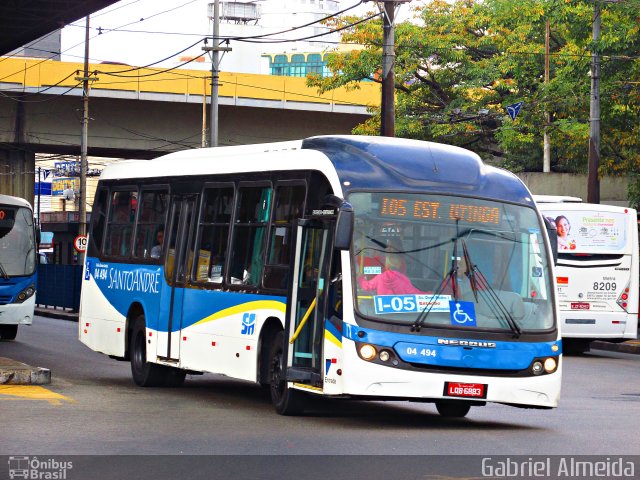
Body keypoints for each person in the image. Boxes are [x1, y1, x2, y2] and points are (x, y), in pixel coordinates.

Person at [357, 254, 423, 295]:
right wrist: (430, 293)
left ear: (387, 264)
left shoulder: (379, 277)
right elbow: (414, 292)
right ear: (399, 265)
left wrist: (360, 278)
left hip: (382, 312)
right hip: (400, 314)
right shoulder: (403, 279)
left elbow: (367, 286)